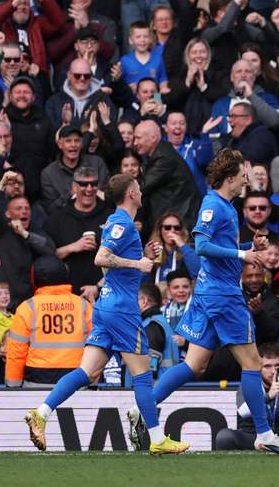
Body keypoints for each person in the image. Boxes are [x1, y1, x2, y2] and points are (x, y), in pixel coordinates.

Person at [128, 149, 279, 455]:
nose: (247, 178)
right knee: (252, 363)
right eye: (243, 174)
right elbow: (203, 246)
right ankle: (264, 433)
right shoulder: (213, 204)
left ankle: (145, 408)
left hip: (210, 294)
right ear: (230, 178)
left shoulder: (226, 207)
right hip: (223, 296)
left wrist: (248, 245)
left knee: (194, 364)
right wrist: (242, 254)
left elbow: (219, 246)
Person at [23, 173, 188, 455]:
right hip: (123, 310)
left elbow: (107, 266)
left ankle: (42, 411)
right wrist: (137, 264)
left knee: (86, 371)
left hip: (106, 305)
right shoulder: (123, 222)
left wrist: (140, 255)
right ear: (131, 194)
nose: (140, 190)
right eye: (137, 187)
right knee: (142, 376)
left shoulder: (115, 222)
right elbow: (101, 258)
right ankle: (158, 439)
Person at [5, 255, 94, 387]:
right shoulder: (84, 305)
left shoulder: (28, 307)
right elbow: (96, 347)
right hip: (76, 382)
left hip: (36, 382)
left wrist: (13, 386)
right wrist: (93, 383)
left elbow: (16, 352)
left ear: (34, 279)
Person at [214, 343, 279, 451]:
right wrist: (269, 396)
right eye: (267, 366)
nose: (273, 371)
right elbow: (243, 411)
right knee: (224, 437)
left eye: (278, 365)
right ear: (258, 367)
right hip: (252, 436)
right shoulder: (249, 385)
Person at [44, 167, 113, 299]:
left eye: (93, 184)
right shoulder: (57, 218)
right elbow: (47, 259)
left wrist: (98, 287)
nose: (89, 189)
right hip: (67, 296)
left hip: (105, 293)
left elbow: (123, 257)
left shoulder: (111, 216)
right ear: (74, 187)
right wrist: (73, 247)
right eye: (83, 184)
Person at [132, 119, 200, 232]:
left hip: (179, 224)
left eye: (138, 138)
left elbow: (141, 188)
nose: (135, 143)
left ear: (153, 138)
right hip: (174, 219)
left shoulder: (164, 158)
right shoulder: (159, 153)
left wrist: (116, 192)